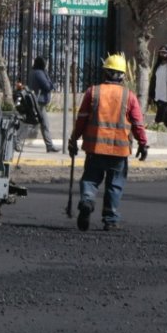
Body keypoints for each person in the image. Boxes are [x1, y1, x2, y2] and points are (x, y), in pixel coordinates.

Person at [67, 53, 149, 232]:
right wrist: (143, 144)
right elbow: (137, 123)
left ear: (105, 73)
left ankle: (87, 200)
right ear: (123, 75)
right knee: (115, 184)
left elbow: (81, 119)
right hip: (119, 152)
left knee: (90, 179)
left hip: (95, 148)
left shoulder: (93, 92)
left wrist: (73, 139)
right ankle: (110, 218)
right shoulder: (129, 96)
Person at [27, 56, 60, 152]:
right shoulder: (39, 73)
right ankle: (16, 142)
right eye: (45, 63)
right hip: (38, 102)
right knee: (31, 124)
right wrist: (52, 85)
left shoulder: (34, 72)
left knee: (44, 124)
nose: (46, 65)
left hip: (36, 101)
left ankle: (49, 146)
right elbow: (46, 86)